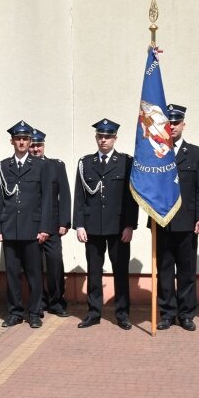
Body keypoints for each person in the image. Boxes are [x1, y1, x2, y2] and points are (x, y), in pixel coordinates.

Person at [73, 119, 138, 330]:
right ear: (96, 138)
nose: (104, 140)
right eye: (101, 136)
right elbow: (79, 197)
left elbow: (132, 197)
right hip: (92, 226)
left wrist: (130, 225)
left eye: (108, 137)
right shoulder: (85, 163)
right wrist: (79, 225)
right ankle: (93, 312)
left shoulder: (127, 162)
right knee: (94, 271)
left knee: (120, 270)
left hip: (119, 227)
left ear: (115, 139)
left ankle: (122, 314)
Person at [152, 105, 199, 331]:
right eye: (169, 123)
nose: (172, 126)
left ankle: (186, 314)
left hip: (187, 222)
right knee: (165, 271)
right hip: (162, 220)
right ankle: (167, 313)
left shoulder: (196, 153)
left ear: (183, 125)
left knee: (186, 271)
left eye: (176, 123)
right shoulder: (154, 153)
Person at [0, 121, 53, 329]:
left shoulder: (41, 165)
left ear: (30, 141)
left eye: (25, 139)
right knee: (12, 273)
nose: (22, 142)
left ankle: (35, 312)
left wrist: (45, 227)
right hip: (9, 228)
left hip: (32, 228)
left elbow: (47, 199)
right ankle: (15, 312)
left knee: (34, 274)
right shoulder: (3, 166)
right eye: (18, 139)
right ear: (12, 141)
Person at [29, 128, 72, 317]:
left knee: (55, 264)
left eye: (38, 145)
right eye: (32, 146)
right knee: (33, 266)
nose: (35, 149)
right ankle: (38, 302)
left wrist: (64, 221)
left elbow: (65, 194)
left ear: (44, 146)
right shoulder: (24, 166)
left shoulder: (56, 166)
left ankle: (57, 301)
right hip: (30, 226)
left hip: (53, 224)